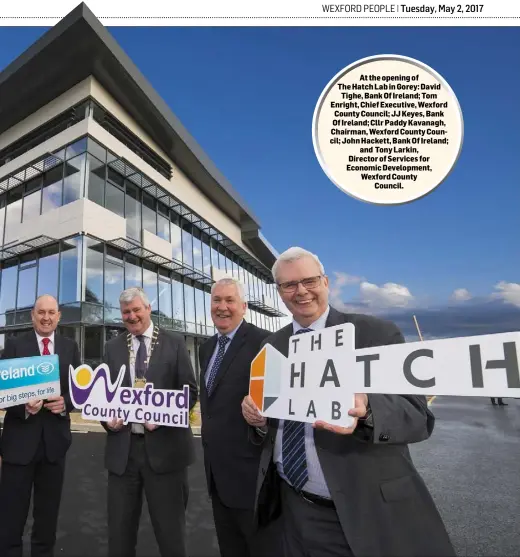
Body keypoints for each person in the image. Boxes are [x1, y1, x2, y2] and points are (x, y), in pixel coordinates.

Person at [241, 247, 456, 557]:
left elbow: (419, 416)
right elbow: (271, 420)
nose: (300, 291)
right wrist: (257, 421)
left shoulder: (373, 332)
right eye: (289, 285)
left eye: (309, 281)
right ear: (280, 292)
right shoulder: (271, 346)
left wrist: (368, 411)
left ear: (326, 282)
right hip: (291, 510)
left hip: (362, 513)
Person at [101, 287, 198, 557]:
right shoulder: (112, 347)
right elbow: (104, 396)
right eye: (126, 312)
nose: (131, 316)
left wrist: (164, 418)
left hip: (166, 453)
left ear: (148, 309)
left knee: (171, 537)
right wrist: (108, 422)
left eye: (136, 310)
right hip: (124, 453)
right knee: (119, 537)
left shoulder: (174, 342)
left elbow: (190, 391)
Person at [199, 277, 281, 557]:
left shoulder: (264, 342)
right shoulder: (206, 348)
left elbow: (277, 406)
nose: (222, 307)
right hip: (217, 476)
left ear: (244, 306)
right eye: (216, 300)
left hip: (251, 479)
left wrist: (263, 420)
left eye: (229, 300)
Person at [0, 294, 81, 557]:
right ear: (32, 315)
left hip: (54, 447)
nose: (46, 317)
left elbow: (80, 390)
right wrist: (22, 406)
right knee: (11, 519)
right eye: (41, 312)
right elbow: (2, 391)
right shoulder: (12, 346)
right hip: (18, 448)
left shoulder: (70, 347)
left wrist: (66, 403)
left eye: (51, 312)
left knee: (46, 521)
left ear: (59, 316)